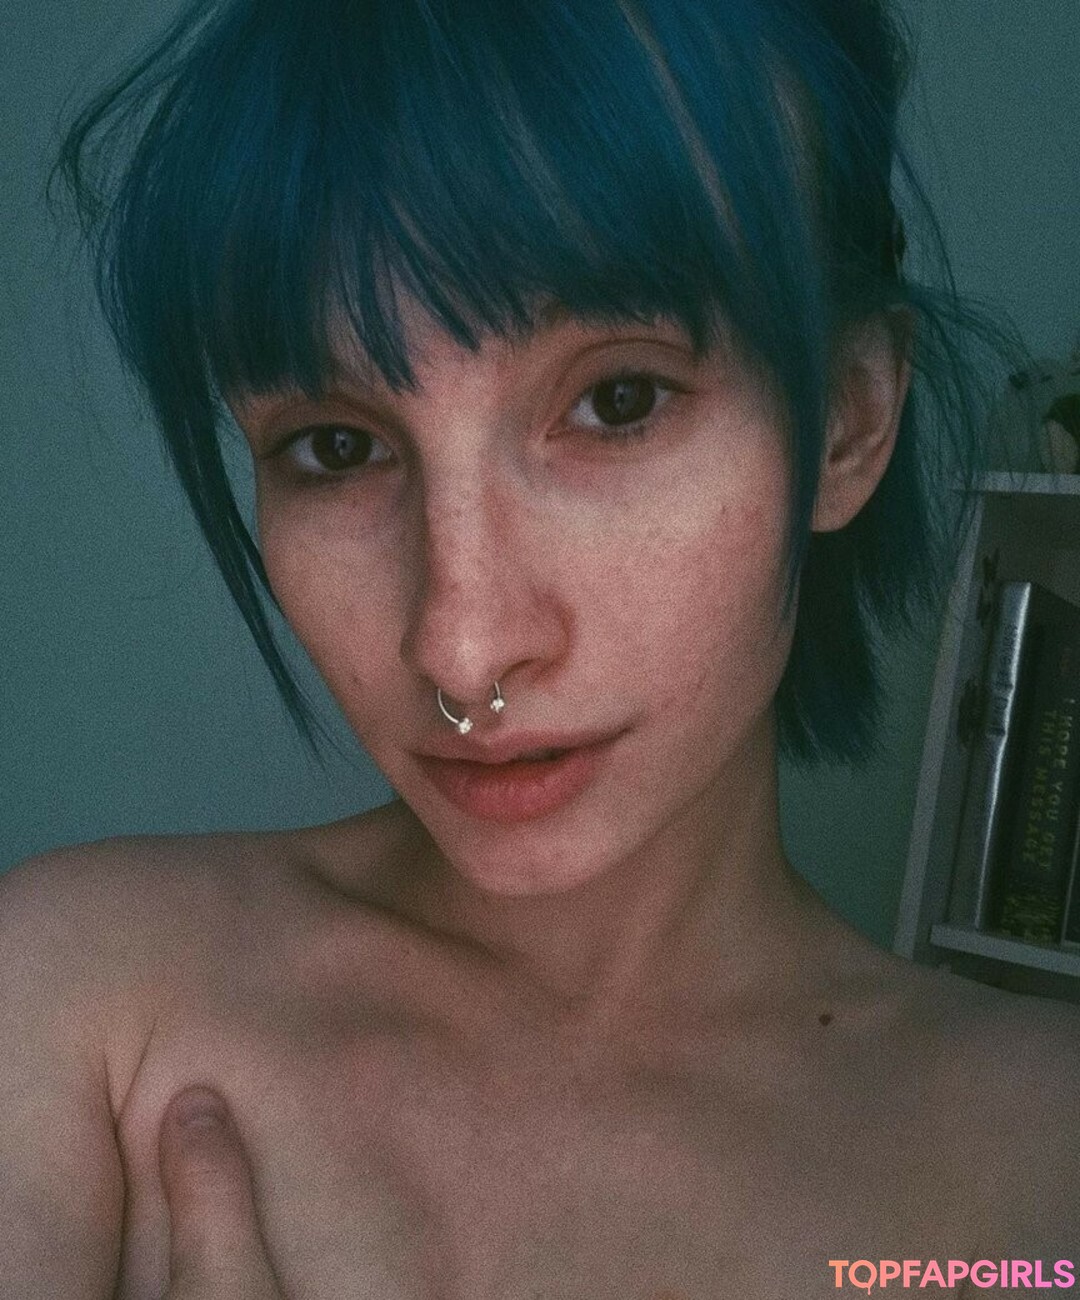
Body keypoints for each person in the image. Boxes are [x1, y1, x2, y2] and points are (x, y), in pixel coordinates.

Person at [3, 0, 1078, 1296]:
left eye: (618, 400)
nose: (461, 653)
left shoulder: (1039, 1177)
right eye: (337, 447)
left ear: (846, 423)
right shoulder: (75, 999)